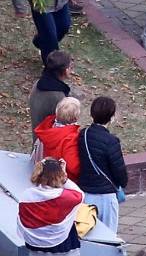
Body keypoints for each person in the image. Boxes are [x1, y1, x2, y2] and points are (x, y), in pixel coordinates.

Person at [77, 96, 127, 232]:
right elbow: (119, 171)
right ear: (111, 117)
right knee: (108, 235)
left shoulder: (83, 135)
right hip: (105, 196)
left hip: (86, 194)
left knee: (87, 233)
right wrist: (122, 183)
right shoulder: (111, 141)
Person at [17, 157, 83, 255]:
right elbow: (79, 194)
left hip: (35, 246)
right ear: (59, 176)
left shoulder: (27, 195)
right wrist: (65, 178)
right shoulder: (65, 197)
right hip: (62, 247)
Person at [34, 97, 82, 181]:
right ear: (76, 117)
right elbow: (74, 167)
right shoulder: (70, 138)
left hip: (45, 172)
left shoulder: (47, 127)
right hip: (60, 179)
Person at [30, 51, 72, 133]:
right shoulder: (58, 97)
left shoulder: (38, 84)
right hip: (48, 141)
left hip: (37, 135)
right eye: (70, 67)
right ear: (66, 70)